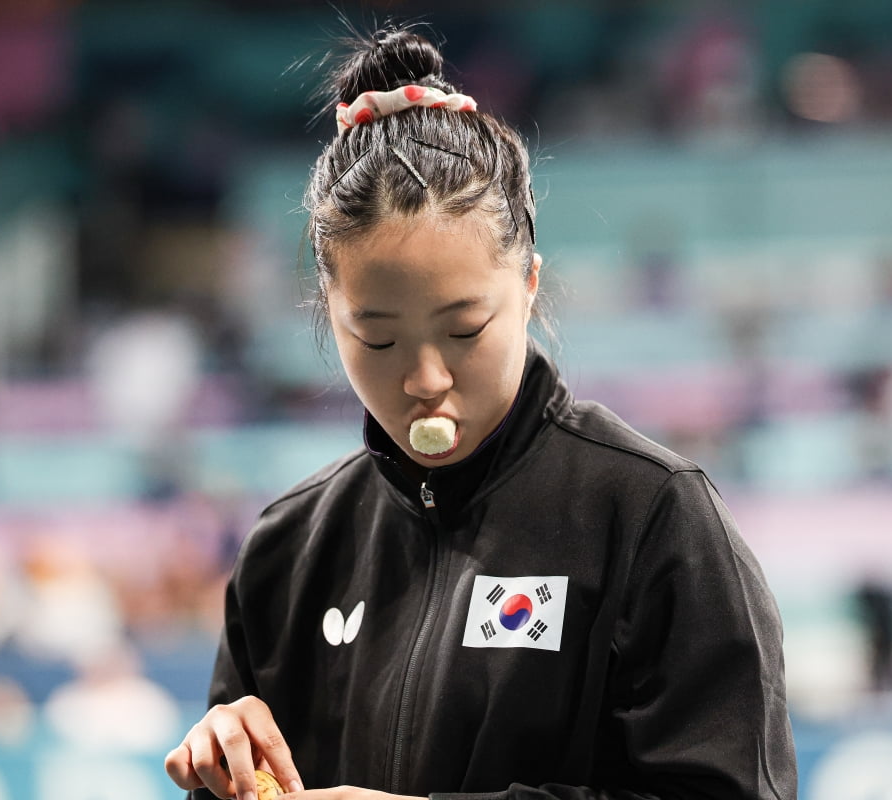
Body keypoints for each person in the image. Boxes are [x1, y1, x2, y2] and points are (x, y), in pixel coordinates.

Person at [165, 25, 796, 800]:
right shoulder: (288, 552)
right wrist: (219, 776)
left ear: (529, 285)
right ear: (326, 312)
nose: (425, 377)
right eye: (377, 336)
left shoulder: (651, 518)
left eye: (465, 330)